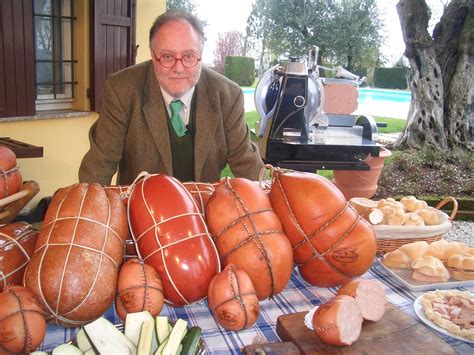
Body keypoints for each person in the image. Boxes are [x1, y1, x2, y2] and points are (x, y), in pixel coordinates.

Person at [79, 10, 263, 186]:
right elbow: (99, 166)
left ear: (200, 56)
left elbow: (248, 166)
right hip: (141, 210)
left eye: (189, 56)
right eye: (167, 57)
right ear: (152, 56)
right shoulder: (122, 91)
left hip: (203, 209)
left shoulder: (228, 96)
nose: (179, 68)